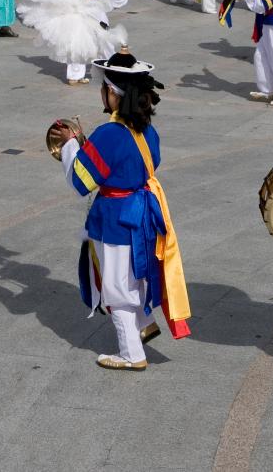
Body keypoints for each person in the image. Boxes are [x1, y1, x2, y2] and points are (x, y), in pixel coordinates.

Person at [53, 51, 191, 369]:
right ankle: (145, 323)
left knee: (116, 285)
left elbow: (80, 181)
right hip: (142, 211)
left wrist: (72, 145)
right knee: (134, 275)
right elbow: (138, 162)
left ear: (113, 93)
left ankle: (131, 354)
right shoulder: (146, 129)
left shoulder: (108, 135)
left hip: (115, 216)